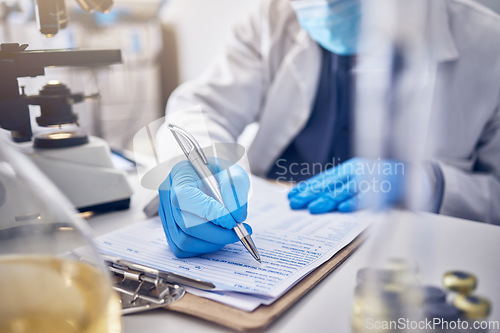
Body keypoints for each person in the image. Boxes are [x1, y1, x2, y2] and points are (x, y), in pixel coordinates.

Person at [157, 0, 500, 258]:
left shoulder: (488, 43)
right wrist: (194, 168)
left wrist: (431, 183)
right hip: (282, 232)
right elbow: (200, 107)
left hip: (407, 251)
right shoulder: (272, 18)